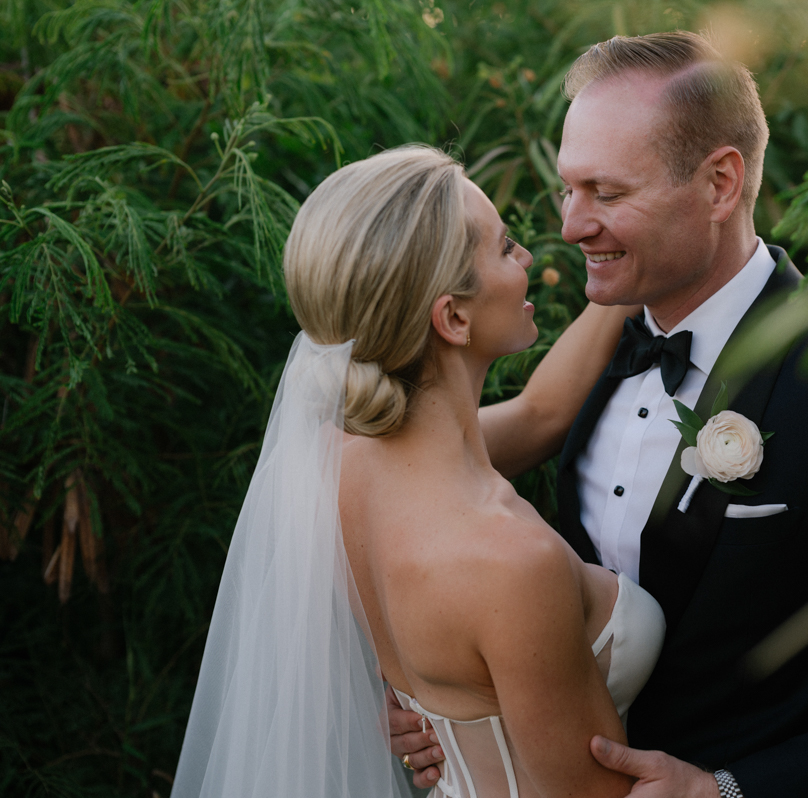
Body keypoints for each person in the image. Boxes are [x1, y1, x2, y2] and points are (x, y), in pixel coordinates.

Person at [393, 31, 808, 798]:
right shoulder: (593, 354)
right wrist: (442, 705)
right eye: (568, 189)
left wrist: (735, 789)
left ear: (719, 184)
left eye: (607, 194)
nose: (573, 226)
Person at [172, 145, 667, 798]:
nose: (527, 259)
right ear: (453, 317)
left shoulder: (337, 468)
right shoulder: (510, 562)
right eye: (506, 246)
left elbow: (543, 415)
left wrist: (627, 274)